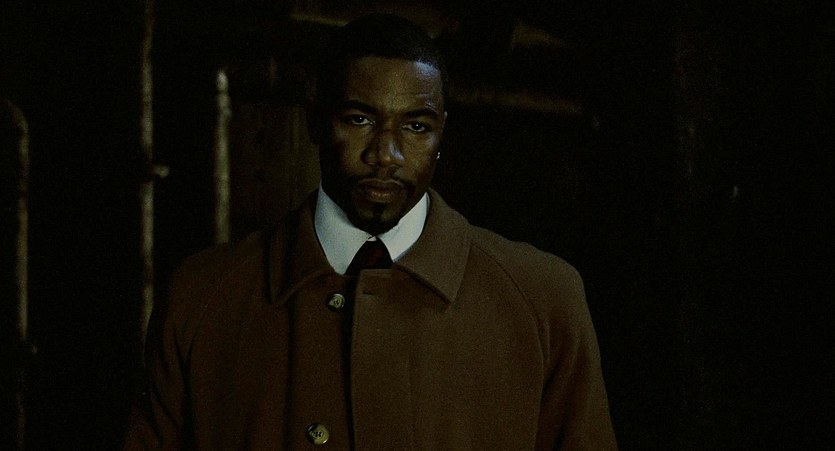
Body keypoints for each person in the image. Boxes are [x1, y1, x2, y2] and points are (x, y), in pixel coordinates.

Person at [124, 13, 616, 450]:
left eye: (416, 127)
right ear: (316, 121)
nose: (386, 154)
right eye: (359, 119)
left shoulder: (543, 300)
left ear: (442, 132)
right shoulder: (203, 297)